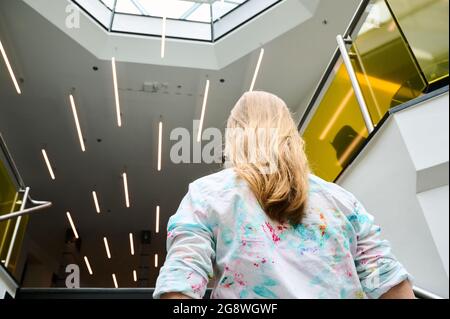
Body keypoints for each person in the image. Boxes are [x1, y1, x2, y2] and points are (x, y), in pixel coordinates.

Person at [153, 91, 414, 299]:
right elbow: (388, 281)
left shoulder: (207, 194)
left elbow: (181, 281)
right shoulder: (343, 200)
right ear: (290, 133)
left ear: (235, 137)